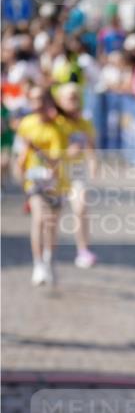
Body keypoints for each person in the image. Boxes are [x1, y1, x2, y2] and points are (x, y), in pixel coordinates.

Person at [15, 87, 69, 286]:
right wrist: (21, 176)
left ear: (48, 103)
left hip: (56, 182)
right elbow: (21, 154)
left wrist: (36, 149)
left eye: (41, 99)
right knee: (39, 220)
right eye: (33, 99)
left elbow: (55, 162)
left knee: (52, 225)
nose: (37, 104)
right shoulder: (27, 124)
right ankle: (38, 264)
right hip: (34, 182)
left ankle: (48, 258)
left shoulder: (59, 128)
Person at [54, 82, 98, 268]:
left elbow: (90, 147)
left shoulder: (85, 123)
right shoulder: (56, 123)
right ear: (60, 101)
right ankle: (48, 252)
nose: (74, 101)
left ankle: (83, 250)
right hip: (56, 172)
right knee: (52, 215)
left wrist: (93, 162)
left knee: (81, 208)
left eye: (76, 97)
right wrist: (65, 153)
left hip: (77, 172)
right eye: (69, 97)